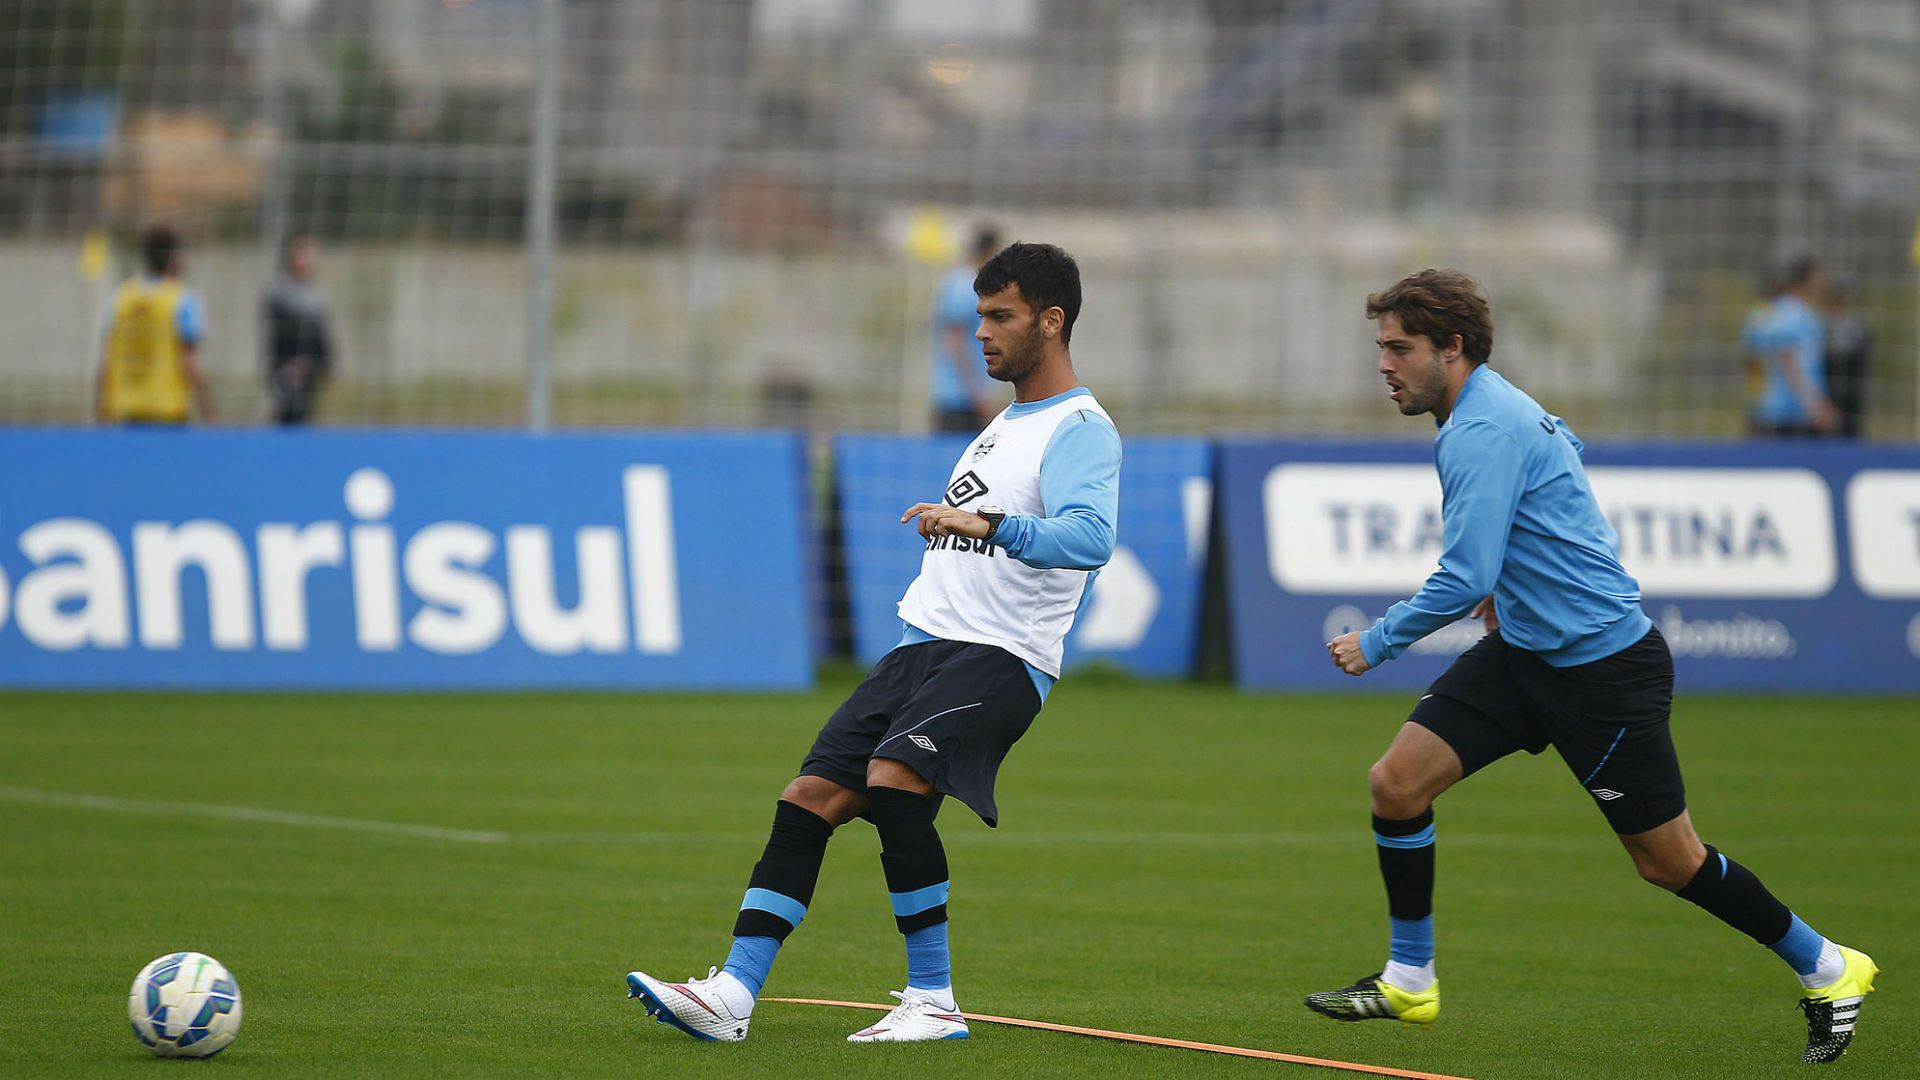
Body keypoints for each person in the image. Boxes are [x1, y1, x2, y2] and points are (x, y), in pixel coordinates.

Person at [1309, 269, 1876, 1065]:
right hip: (1525, 653)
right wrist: (1515, 586)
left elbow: (1464, 575)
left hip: (1601, 672)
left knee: (1668, 862)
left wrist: (1378, 641)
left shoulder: (1481, 428)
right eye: (1382, 348)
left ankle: (1829, 966)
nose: (1384, 364)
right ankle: (1409, 979)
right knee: (1396, 784)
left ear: (1452, 347)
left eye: (1400, 348)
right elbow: (1562, 463)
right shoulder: (1494, 406)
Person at [626, 243, 1122, 1044]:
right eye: (979, 315)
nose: (980, 332)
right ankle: (732, 995)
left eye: (999, 316)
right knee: (808, 799)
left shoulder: (1082, 429)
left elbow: (1091, 537)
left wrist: (986, 523)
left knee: (894, 781)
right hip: (920, 652)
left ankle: (934, 1001)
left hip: (1000, 657)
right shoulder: (1002, 426)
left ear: (1051, 321)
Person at [96, 225, 216, 425]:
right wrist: (210, 412)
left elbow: (106, 361)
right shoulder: (182, 299)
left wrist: (100, 412)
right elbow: (189, 363)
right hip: (167, 413)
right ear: (173, 259)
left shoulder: (120, 297)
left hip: (127, 412)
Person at [1748, 257, 1838, 437]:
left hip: (1766, 409)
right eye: (1820, 278)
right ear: (1809, 281)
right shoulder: (1797, 315)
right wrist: (1816, 405)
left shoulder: (1767, 312)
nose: (1824, 283)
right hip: (1792, 414)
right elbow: (1787, 358)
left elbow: (1751, 359)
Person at [930, 226, 1005, 432]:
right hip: (959, 398)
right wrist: (978, 394)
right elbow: (955, 341)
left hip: (968, 396)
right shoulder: (965, 285)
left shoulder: (967, 283)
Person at [264, 233, 334, 425]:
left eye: (312, 255)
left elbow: (320, 334)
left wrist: (325, 364)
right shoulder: (280, 292)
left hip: (310, 370)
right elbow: (279, 334)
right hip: (288, 369)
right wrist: (289, 365)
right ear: (292, 258)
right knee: (287, 417)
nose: (310, 261)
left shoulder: (314, 293)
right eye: (304, 255)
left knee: (304, 418)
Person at [1822, 276, 1870, 439]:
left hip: (1851, 386)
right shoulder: (1824, 323)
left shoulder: (1856, 325)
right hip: (1830, 383)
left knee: (1850, 426)